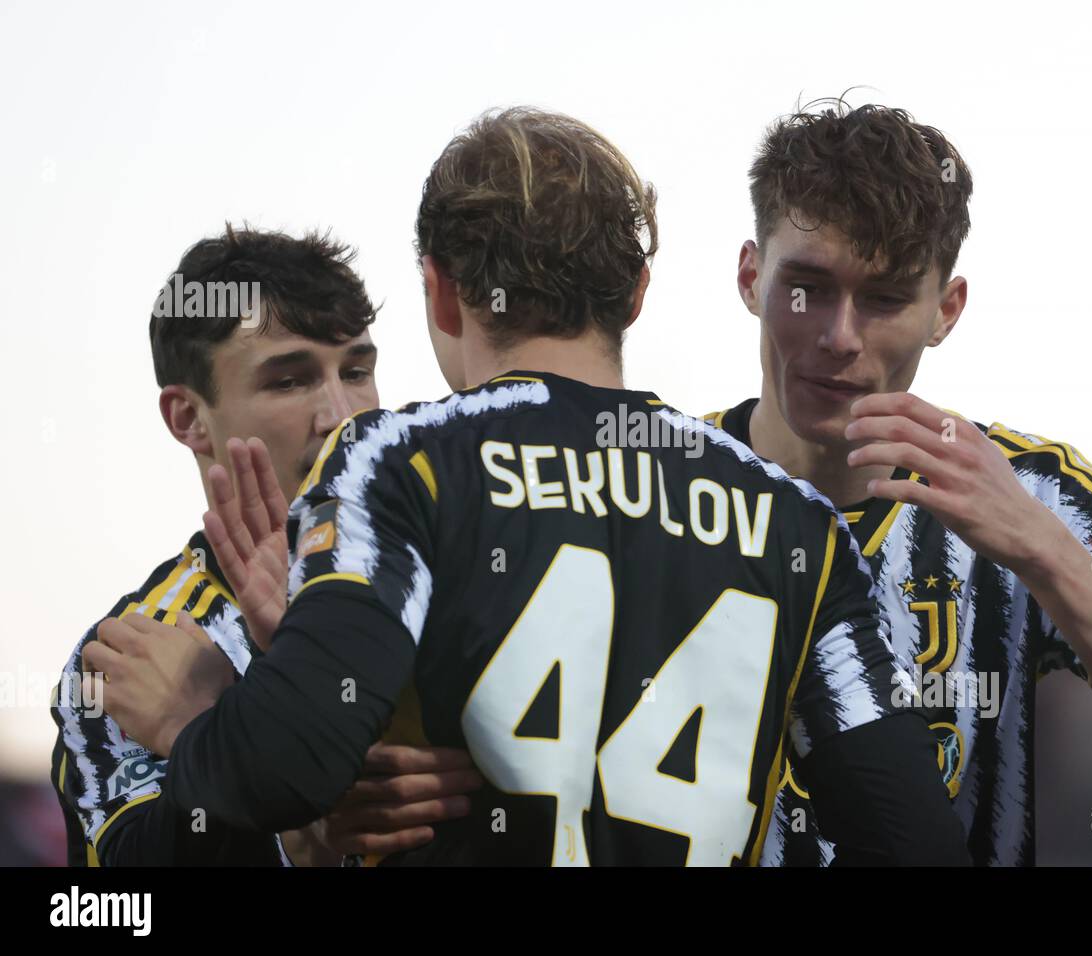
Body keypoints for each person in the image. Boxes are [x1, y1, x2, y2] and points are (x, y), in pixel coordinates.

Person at [89, 107, 971, 866]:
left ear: (440, 294)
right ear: (634, 293)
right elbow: (919, 847)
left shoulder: (400, 459)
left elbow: (282, 766)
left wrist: (195, 718)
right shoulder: (795, 522)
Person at [704, 100, 1092, 865]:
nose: (839, 336)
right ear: (749, 276)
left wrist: (1045, 552)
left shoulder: (1038, 491)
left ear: (946, 310)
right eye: (807, 287)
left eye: (885, 298)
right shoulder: (648, 482)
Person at [52, 226, 482, 865]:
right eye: (289, 381)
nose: (343, 414)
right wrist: (293, 828)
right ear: (189, 417)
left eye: (358, 371)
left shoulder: (465, 568)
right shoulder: (124, 655)